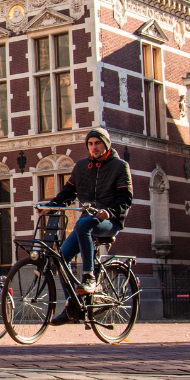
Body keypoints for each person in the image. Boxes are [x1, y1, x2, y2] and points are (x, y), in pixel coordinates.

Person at [43, 127, 133, 326]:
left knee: (83, 224)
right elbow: (67, 193)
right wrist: (49, 208)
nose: (94, 147)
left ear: (106, 144)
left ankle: (89, 276)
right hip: (88, 222)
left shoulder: (120, 166)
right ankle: (72, 306)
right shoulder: (82, 166)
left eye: (98, 143)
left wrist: (109, 211)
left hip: (110, 220)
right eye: (90, 144)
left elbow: (126, 199)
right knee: (62, 257)